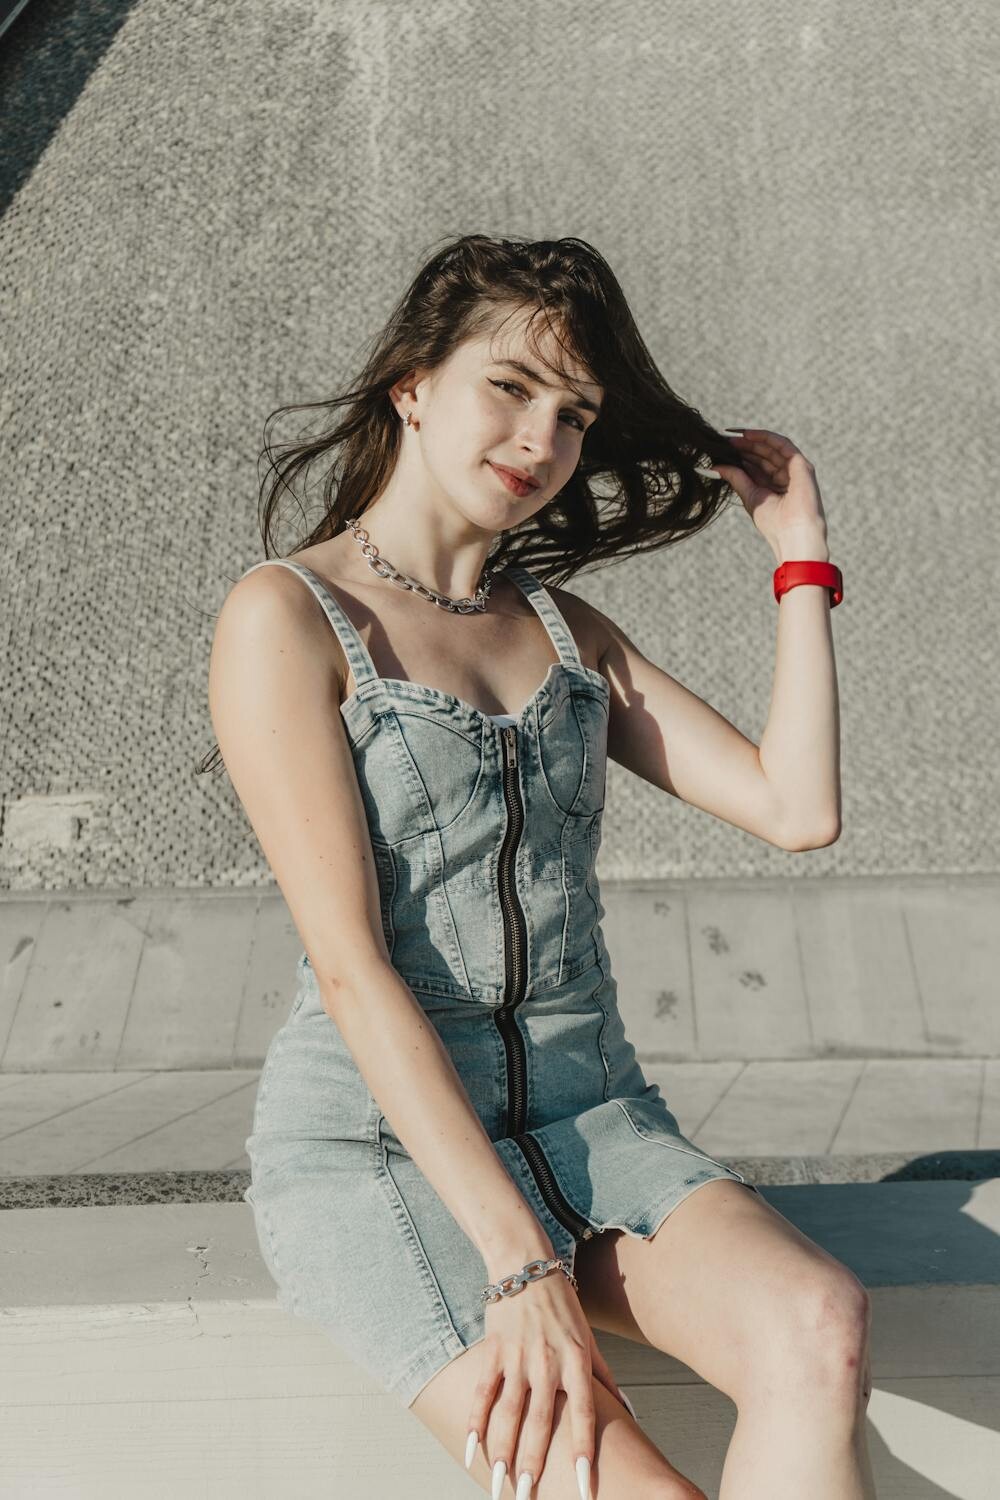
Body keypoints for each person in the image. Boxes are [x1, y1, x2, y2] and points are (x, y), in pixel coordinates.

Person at [205, 235, 876, 1499]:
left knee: (818, 1325)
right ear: (413, 385)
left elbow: (797, 810)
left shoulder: (567, 634)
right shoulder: (288, 617)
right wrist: (521, 1268)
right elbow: (351, 971)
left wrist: (798, 556)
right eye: (510, 387)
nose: (541, 437)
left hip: (593, 1120)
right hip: (385, 1156)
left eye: (573, 413)